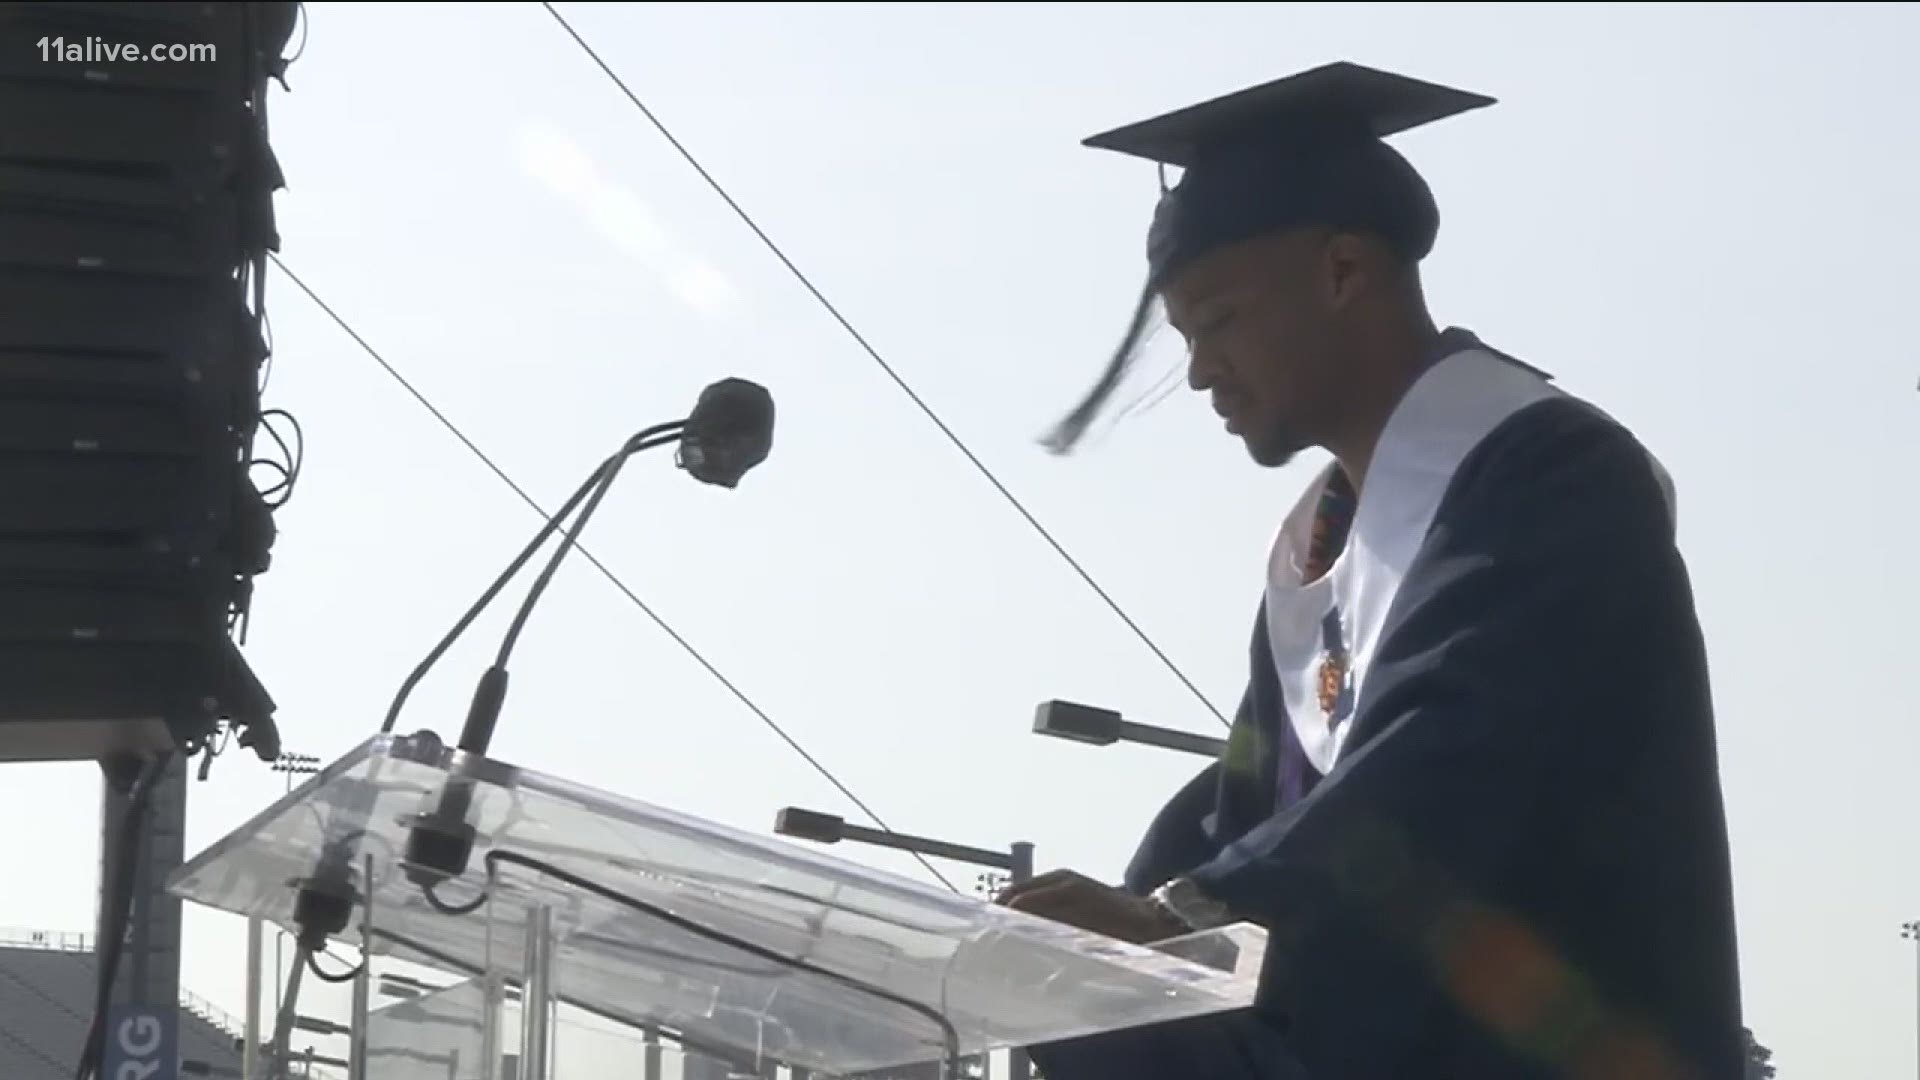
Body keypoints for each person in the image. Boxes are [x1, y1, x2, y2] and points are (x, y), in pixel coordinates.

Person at [997, 62, 1745, 1079]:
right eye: (1184, 340)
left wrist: (1180, 916)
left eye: (1217, 323)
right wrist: (1082, 935)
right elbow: (1246, 803)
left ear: (1344, 271)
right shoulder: (1318, 547)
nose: (1203, 371)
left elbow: (1449, 765)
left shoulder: (1553, 478)